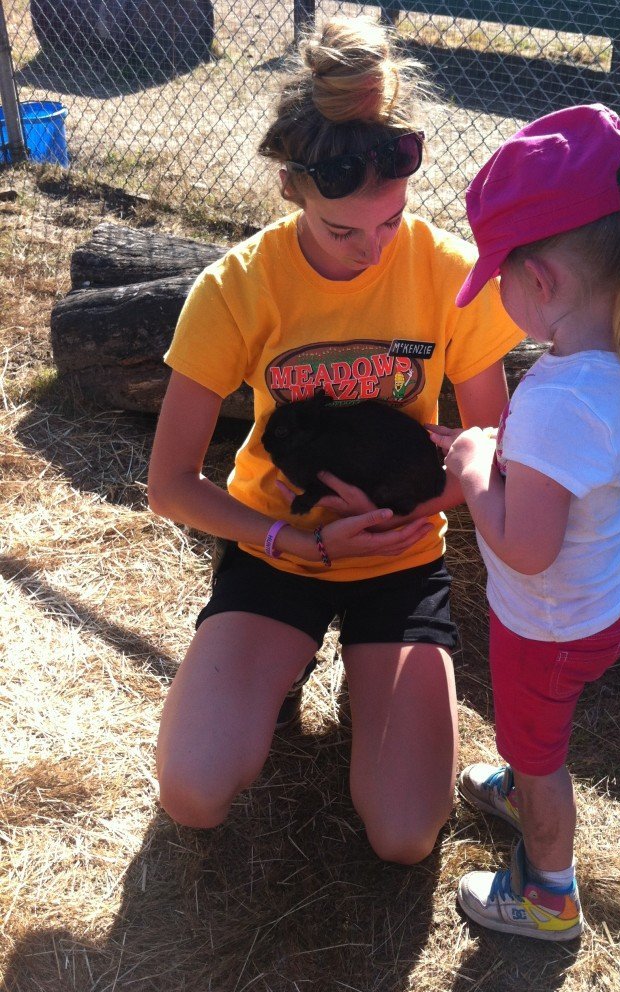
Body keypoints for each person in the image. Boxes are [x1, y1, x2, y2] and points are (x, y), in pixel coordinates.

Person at [147, 16, 524, 865]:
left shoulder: (447, 272)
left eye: (390, 222)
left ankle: (369, 672)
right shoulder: (235, 287)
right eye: (341, 230)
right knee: (194, 795)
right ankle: (282, 669)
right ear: (293, 187)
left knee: (404, 836)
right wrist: (293, 536)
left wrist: (401, 514)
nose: (372, 251)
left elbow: (488, 446)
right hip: (275, 549)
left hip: (400, 552)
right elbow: (170, 484)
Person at [428, 104, 620, 939]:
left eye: (499, 273)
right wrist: (506, 456)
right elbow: (570, 473)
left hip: (549, 621)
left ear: (540, 283)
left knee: (539, 748)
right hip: (612, 596)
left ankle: (548, 890)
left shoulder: (554, 399)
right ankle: (522, 772)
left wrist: (475, 478)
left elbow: (527, 547)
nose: (493, 290)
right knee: (534, 729)